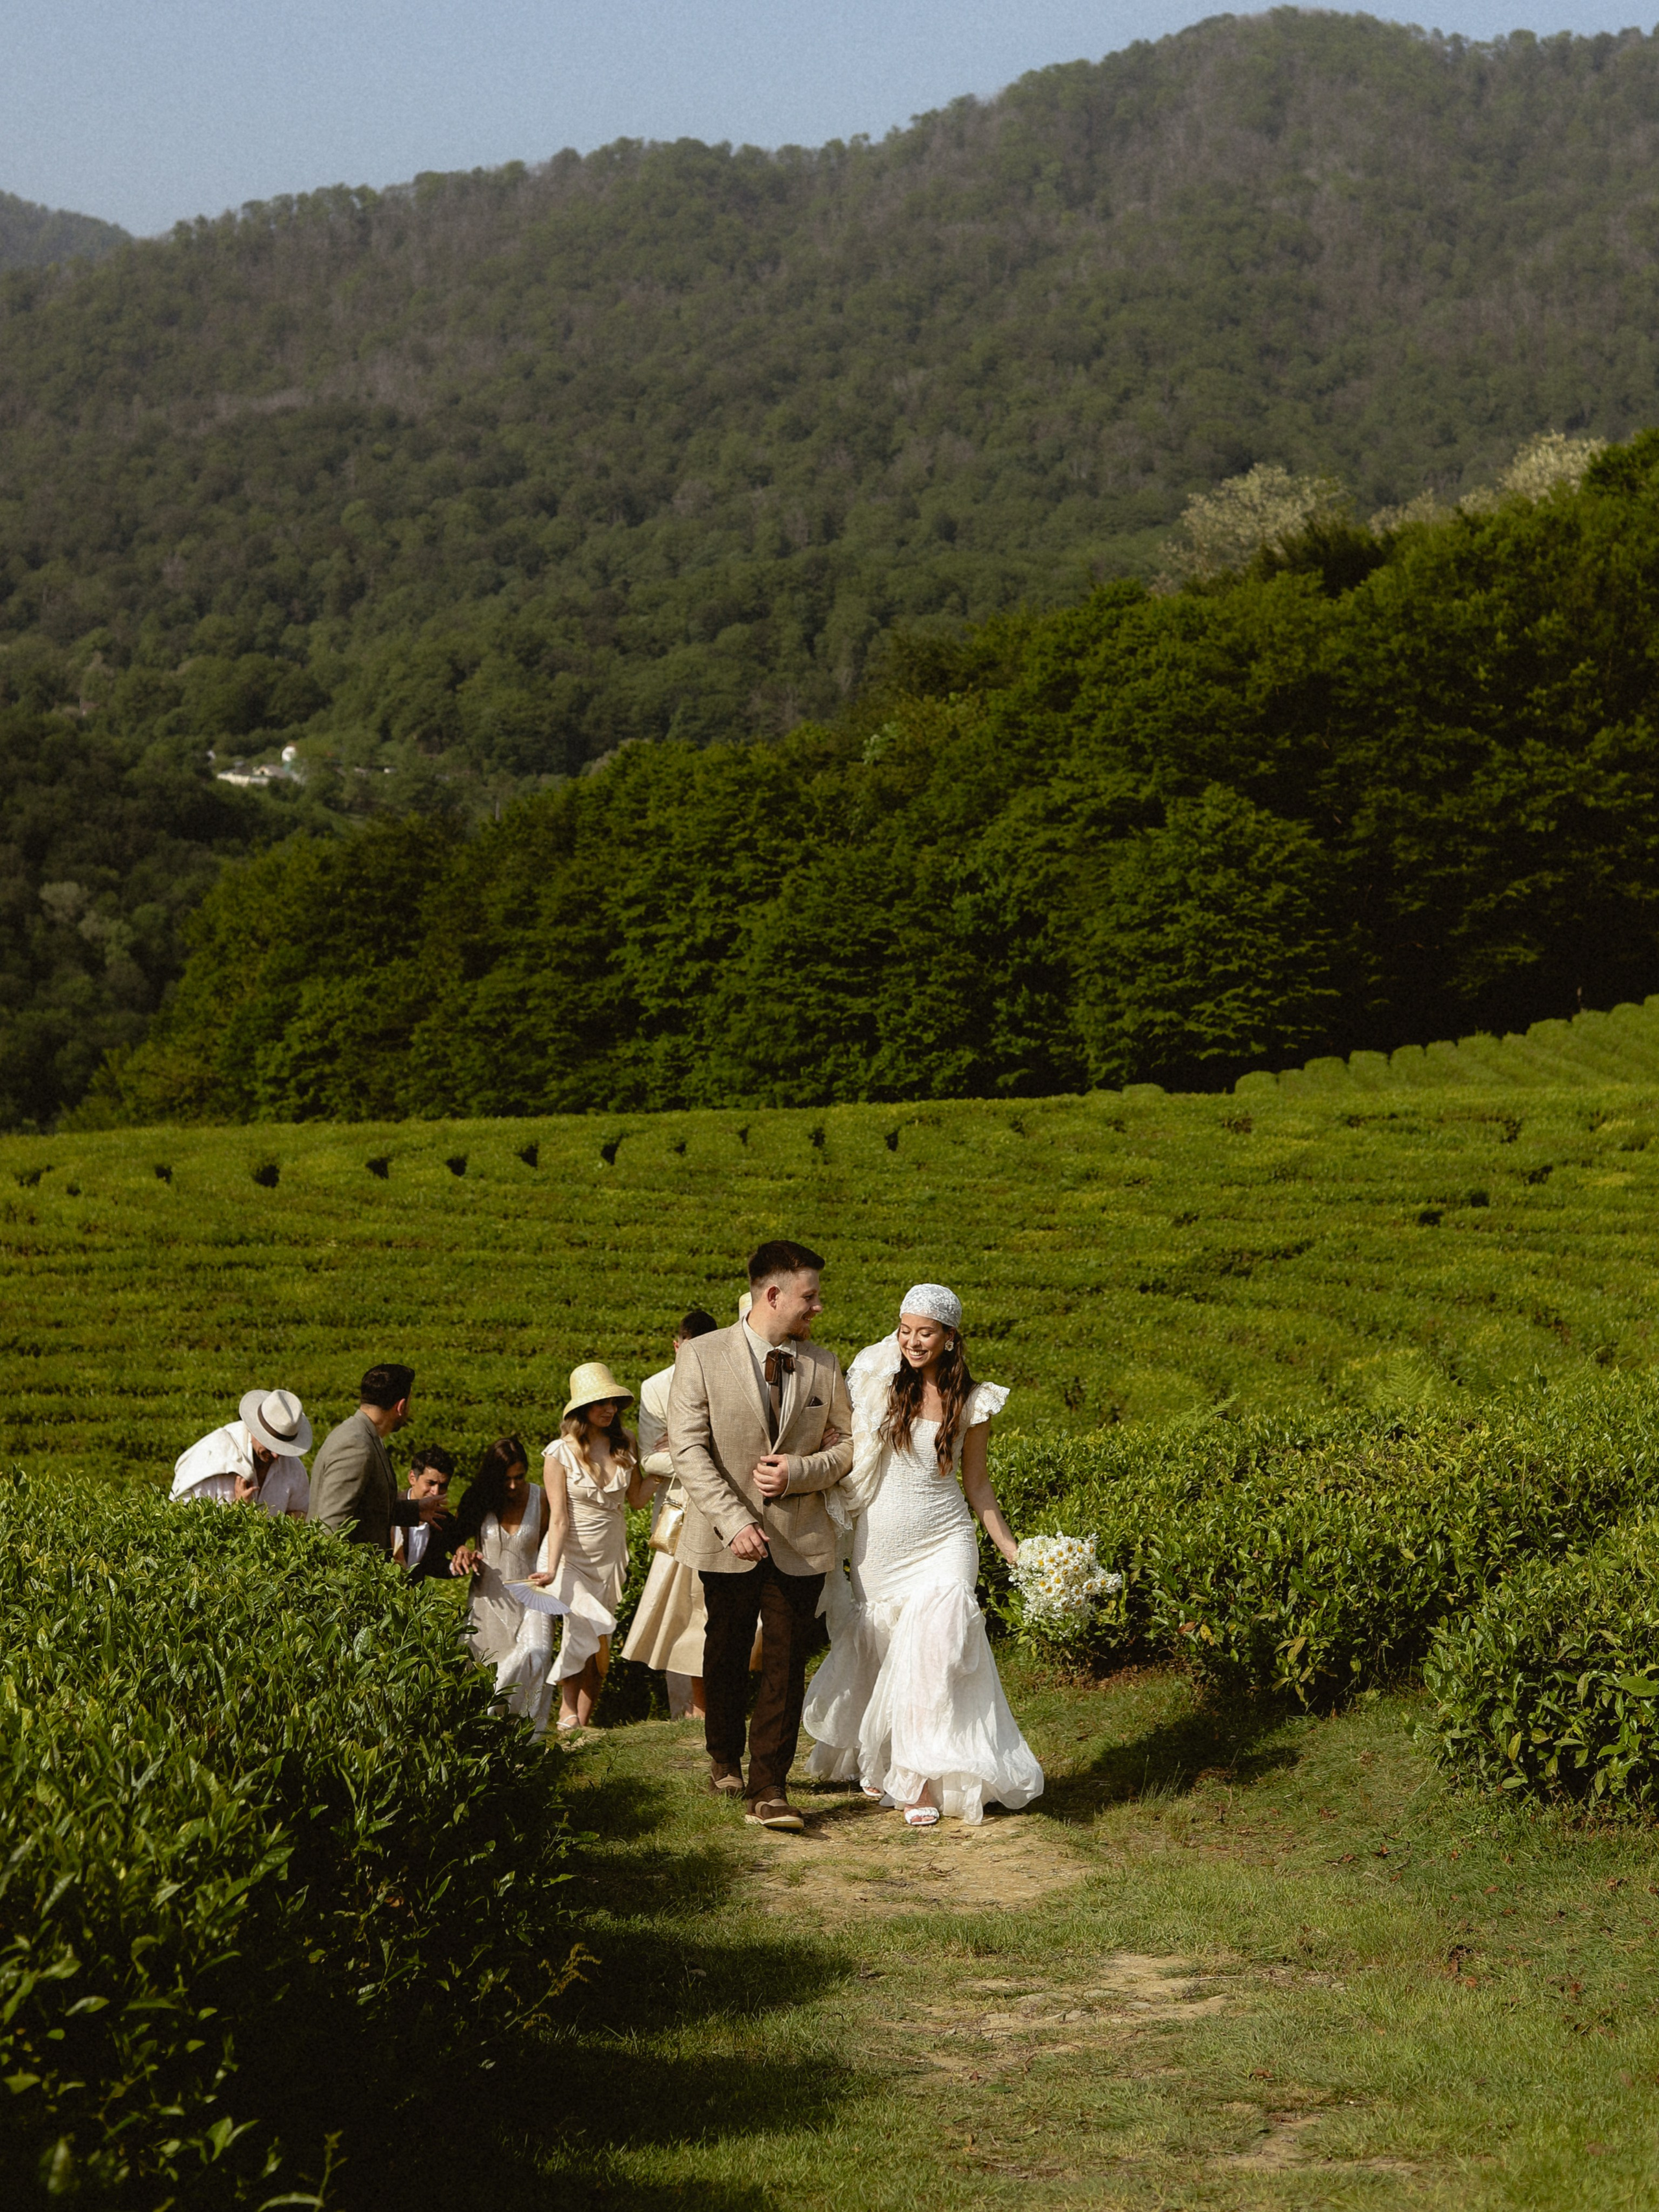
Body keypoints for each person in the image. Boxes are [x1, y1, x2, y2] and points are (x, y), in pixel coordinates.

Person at [803, 1283, 1043, 1827]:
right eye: (905, 1329)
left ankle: (919, 1782)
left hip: (946, 1537)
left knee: (935, 1656)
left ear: (950, 1338)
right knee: (887, 1653)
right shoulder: (879, 1383)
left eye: (925, 1332)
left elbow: (978, 1485)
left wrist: (1011, 1549)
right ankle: (881, 1754)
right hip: (882, 1538)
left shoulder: (976, 1401)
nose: (912, 1340)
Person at [667, 1240, 854, 1832]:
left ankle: (768, 1786)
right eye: (810, 1295)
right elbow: (689, 1451)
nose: (818, 1307)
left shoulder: (825, 1363)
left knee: (786, 1660)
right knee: (724, 1648)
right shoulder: (699, 1356)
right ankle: (723, 1753)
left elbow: (850, 1447)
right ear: (772, 1294)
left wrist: (801, 1471)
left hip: (801, 1540)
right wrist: (735, 1519)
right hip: (726, 1537)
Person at [533, 1363, 655, 1733]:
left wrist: (669, 1469)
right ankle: (566, 1712)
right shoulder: (558, 1453)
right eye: (601, 1402)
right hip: (568, 1556)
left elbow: (635, 1499)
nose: (610, 1409)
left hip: (610, 1557)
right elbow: (558, 1518)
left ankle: (580, 1721)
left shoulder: (626, 1442)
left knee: (598, 1640)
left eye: (614, 1402)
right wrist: (552, 1569)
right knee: (582, 1628)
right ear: (581, 1408)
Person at [621, 1308, 719, 1718]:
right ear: (676, 1346)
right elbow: (650, 1461)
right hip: (678, 1511)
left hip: (721, 1508)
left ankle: (714, 1702)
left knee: (715, 1608)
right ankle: (683, 1710)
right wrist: (706, 1454)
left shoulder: (727, 1377)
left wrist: (681, 1449)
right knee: (676, 1608)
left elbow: (670, 1456)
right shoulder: (656, 1388)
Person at [450, 1438, 554, 1736]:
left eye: (519, 1477)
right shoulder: (478, 1498)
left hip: (531, 1600)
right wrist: (461, 1549)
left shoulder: (542, 1499)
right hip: (487, 1604)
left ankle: (529, 1740)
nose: (512, 1486)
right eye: (505, 1479)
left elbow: (555, 1543)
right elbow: (455, 1537)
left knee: (537, 1653)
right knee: (482, 1679)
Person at [308, 1364, 441, 1555]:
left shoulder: (365, 1437)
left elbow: (367, 1509)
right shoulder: (356, 1447)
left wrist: (415, 1511)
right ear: (401, 1406)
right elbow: (330, 1530)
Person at [170, 1388, 312, 1518]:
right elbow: (183, 1519)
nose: (276, 1455)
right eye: (270, 1444)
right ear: (256, 1430)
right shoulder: (210, 1456)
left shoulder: (294, 1468)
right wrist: (238, 1513)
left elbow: (300, 1511)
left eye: (283, 1448)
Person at [393, 1446, 458, 1579]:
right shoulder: (390, 1508)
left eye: (443, 1486)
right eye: (430, 1483)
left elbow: (432, 1564)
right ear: (412, 1478)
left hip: (412, 1598)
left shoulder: (444, 1521)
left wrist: (456, 1566)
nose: (435, 1492)